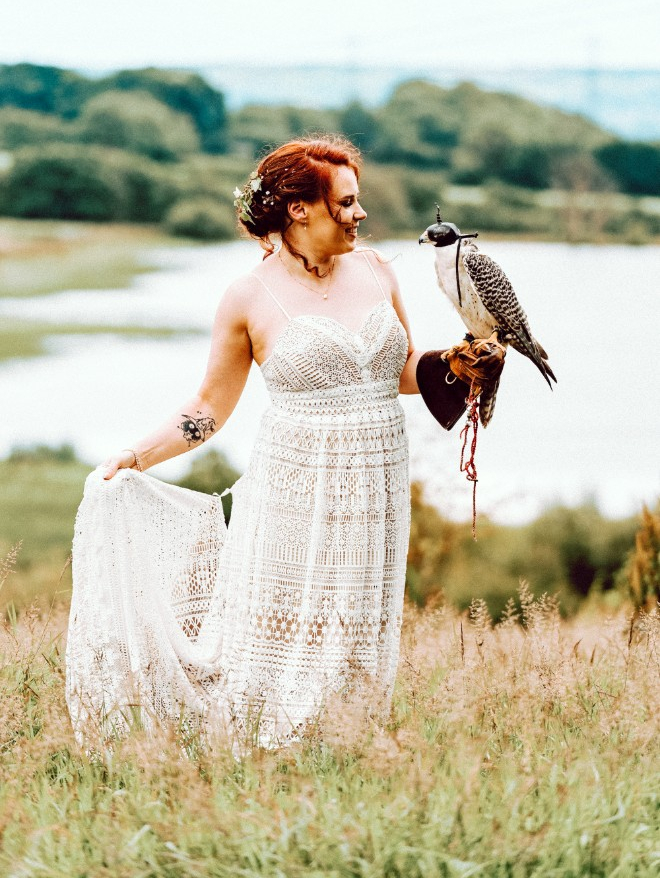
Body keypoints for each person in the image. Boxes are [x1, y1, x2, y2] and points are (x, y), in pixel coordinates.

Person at [65, 136, 500, 750]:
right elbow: (209, 408)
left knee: (358, 624)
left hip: (376, 481)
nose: (360, 214)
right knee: (284, 628)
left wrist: (460, 362)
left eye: (358, 201)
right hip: (293, 486)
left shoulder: (377, 273)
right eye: (346, 203)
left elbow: (401, 371)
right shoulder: (247, 297)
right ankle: (257, 752)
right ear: (299, 208)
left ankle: (344, 746)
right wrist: (136, 455)